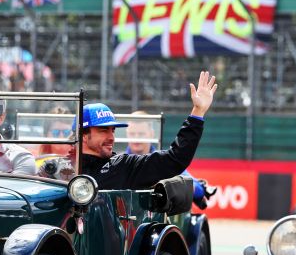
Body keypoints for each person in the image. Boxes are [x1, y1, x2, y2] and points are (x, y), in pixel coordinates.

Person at [79, 71, 217, 190]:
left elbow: (175, 159)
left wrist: (197, 112)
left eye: (113, 131)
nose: (111, 137)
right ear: (84, 135)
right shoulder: (62, 168)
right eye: (103, 130)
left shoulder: (123, 166)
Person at [125, 111, 214, 208]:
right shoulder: (119, 161)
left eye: (141, 134)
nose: (136, 138)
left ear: (151, 134)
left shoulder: (164, 160)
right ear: (126, 134)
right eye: (132, 134)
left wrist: (177, 185)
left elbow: (197, 188)